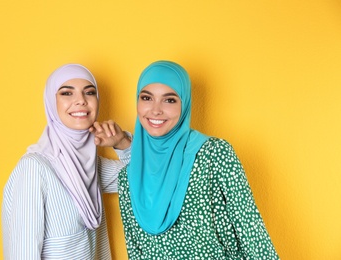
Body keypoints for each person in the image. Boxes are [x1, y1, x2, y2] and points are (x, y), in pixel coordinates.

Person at [118, 60, 279, 259]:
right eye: (146, 98)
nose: (156, 110)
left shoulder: (214, 154)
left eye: (169, 100)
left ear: (184, 103)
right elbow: (135, 252)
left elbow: (250, 229)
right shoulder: (127, 178)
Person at [2, 63, 131, 259]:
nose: (81, 101)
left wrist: (122, 142)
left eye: (89, 92)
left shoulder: (89, 165)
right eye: (66, 93)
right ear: (51, 103)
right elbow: (23, 253)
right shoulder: (35, 168)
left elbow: (144, 180)